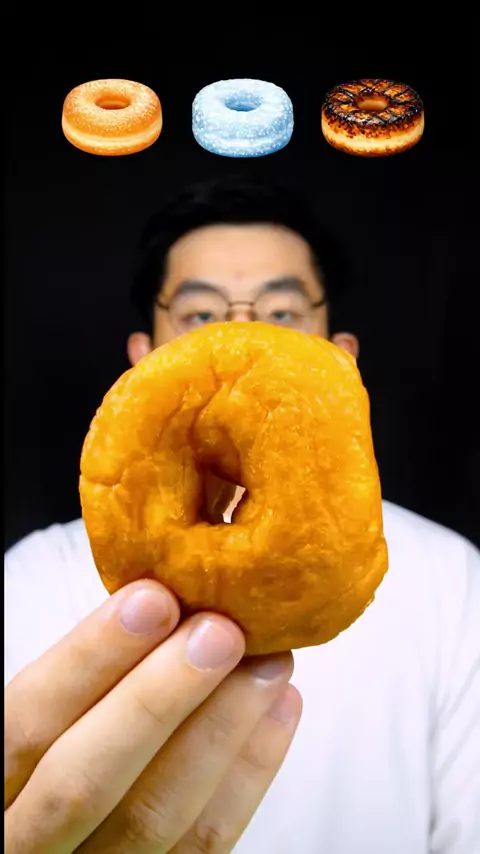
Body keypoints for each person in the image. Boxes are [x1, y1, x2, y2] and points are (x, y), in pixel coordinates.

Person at [4, 175, 480, 854]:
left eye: (281, 312)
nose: (240, 332)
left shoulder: (451, 582)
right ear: (141, 361)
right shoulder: (28, 581)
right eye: (200, 315)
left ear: (342, 359)